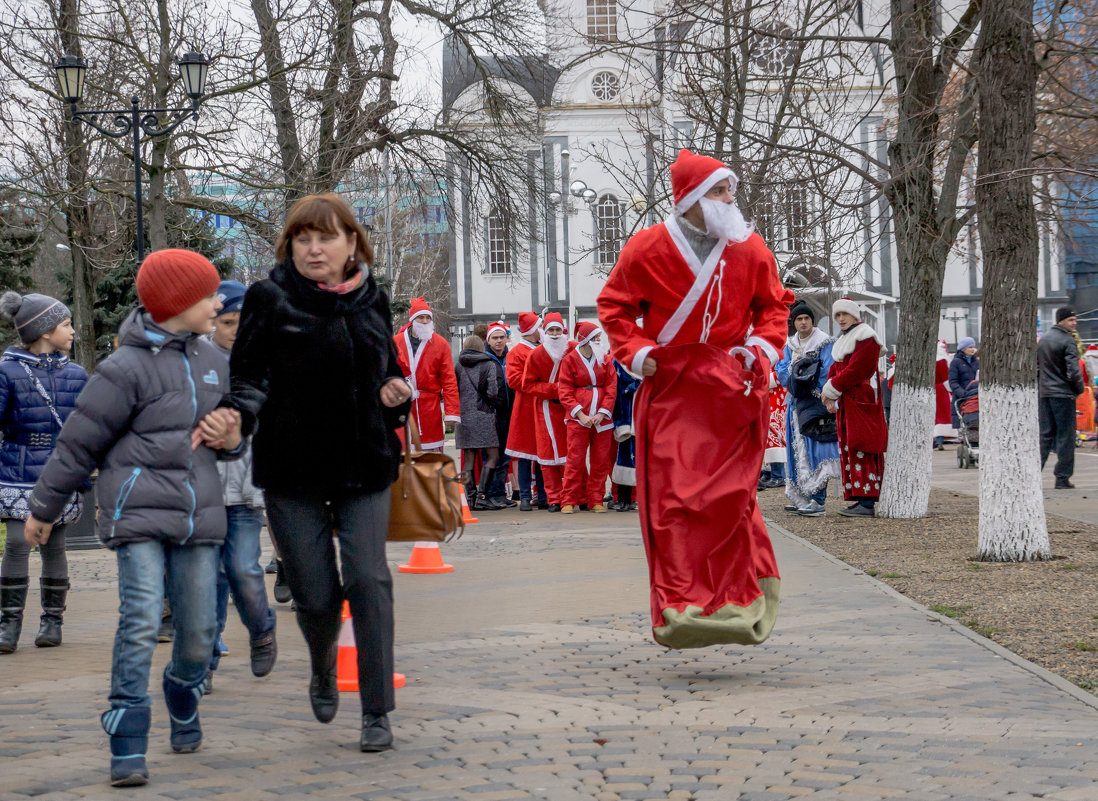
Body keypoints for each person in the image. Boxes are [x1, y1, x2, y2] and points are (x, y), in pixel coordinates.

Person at [23, 249, 242, 786]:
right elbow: (78, 444)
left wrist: (235, 437)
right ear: (177, 302)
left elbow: (234, 436)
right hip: (136, 513)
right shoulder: (124, 368)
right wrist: (44, 510)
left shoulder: (215, 362)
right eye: (208, 294)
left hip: (197, 516)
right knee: (142, 615)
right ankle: (126, 731)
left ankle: (182, 689)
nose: (218, 303)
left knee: (199, 633)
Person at [223, 193, 411, 753]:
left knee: (369, 579)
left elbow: (390, 373)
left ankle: (376, 710)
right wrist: (235, 416)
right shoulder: (269, 298)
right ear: (290, 245)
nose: (314, 248)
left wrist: (395, 396)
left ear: (352, 242)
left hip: (363, 463)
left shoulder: (372, 300)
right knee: (316, 593)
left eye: (326, 237)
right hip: (292, 468)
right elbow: (249, 378)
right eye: (303, 238)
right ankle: (323, 665)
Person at [597, 148, 792, 649]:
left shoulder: (750, 249)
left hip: (729, 396)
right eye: (721, 191)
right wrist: (639, 353)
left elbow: (775, 306)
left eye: (729, 189)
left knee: (730, 502)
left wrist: (758, 349)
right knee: (675, 506)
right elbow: (615, 308)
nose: (731, 199)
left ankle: (736, 604)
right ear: (692, 199)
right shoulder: (646, 248)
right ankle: (682, 608)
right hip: (673, 395)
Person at [0, 292, 87, 654]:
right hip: (18, 468)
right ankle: (9, 621)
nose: (72, 331)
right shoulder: (7, 370)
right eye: (66, 324)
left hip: (59, 468)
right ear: (45, 330)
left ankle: (52, 619)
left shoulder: (77, 374)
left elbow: (85, 427)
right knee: (19, 541)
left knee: (55, 544)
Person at [205, 280, 277, 690]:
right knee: (210, 577)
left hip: (247, 488)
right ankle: (207, 657)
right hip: (204, 489)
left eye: (243, 321)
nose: (235, 329)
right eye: (227, 321)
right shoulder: (198, 360)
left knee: (242, 569)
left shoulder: (264, 361)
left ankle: (261, 627)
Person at [821, 298, 888, 518]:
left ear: (854, 315)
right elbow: (836, 368)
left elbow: (857, 370)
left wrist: (831, 389)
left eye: (844, 314)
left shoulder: (866, 337)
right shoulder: (846, 338)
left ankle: (867, 500)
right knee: (850, 447)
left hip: (860, 400)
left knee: (863, 445)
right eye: (837, 315)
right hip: (848, 401)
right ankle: (859, 496)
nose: (840, 319)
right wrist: (829, 393)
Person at [775, 300, 840, 517]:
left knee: (816, 450)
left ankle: (818, 500)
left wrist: (810, 385)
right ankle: (801, 496)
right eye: (799, 319)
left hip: (815, 404)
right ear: (794, 322)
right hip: (795, 405)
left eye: (807, 319)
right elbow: (782, 369)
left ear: (812, 320)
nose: (803, 322)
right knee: (796, 451)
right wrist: (796, 378)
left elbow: (827, 371)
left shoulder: (823, 343)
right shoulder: (790, 345)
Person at [557, 322, 617, 514]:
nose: (599, 341)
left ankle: (596, 499)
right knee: (575, 461)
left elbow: (611, 389)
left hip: (602, 420)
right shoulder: (569, 360)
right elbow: (564, 390)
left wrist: (602, 412)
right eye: (596, 338)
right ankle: (568, 499)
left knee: (600, 461)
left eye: (599, 338)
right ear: (586, 340)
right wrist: (580, 413)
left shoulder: (605, 360)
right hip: (578, 420)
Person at [521, 312, 572, 513]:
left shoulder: (572, 350)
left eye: (557, 329)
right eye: (550, 330)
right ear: (544, 331)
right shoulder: (536, 354)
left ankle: (574, 495)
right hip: (546, 409)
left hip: (570, 409)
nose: (554, 333)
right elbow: (528, 384)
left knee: (572, 454)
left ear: (563, 331)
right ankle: (554, 498)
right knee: (548, 455)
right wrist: (555, 389)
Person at [393, 298, 459, 451]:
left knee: (432, 458)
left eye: (428, 318)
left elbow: (449, 379)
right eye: (420, 317)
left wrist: (452, 412)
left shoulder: (441, 344)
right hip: (402, 406)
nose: (424, 321)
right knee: (403, 455)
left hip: (430, 408)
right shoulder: (396, 342)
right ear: (412, 319)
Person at [1037, 306, 1085, 489]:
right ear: (1061, 321)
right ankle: (1062, 477)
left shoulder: (1043, 340)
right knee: (1066, 436)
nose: (1075, 323)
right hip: (1063, 394)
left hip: (1045, 394)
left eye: (1075, 320)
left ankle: (1034, 473)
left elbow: (1037, 368)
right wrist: (1078, 390)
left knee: (1045, 436)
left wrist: (1042, 387)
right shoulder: (1067, 341)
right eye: (1071, 320)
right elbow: (1074, 371)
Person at [454, 335, 504, 509]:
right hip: (484, 415)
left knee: (469, 458)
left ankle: (470, 498)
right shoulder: (488, 364)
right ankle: (483, 495)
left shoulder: (458, 365)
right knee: (492, 455)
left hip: (463, 416)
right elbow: (491, 392)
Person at [505, 312, 548, 511]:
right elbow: (514, 379)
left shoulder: (544, 349)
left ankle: (543, 494)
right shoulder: (516, 352)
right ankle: (524, 496)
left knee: (542, 453)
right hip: (525, 406)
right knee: (524, 454)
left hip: (541, 405)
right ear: (533, 331)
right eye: (540, 327)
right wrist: (537, 383)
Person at [483, 321, 515, 508]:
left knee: (505, 456)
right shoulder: (485, 360)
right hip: (491, 415)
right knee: (491, 456)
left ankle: (500, 493)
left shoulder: (510, 358)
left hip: (508, 414)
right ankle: (489, 494)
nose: (499, 341)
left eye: (502, 337)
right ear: (489, 340)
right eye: (495, 338)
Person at [608, 360, 640, 511]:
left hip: (646, 418)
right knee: (625, 457)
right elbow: (616, 393)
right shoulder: (619, 364)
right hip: (627, 418)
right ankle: (623, 498)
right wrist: (619, 421)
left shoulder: (652, 360)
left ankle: (639, 498)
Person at [934, 340, 954, 449]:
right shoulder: (941, 361)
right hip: (940, 390)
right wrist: (951, 391)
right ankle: (940, 440)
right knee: (941, 415)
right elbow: (945, 379)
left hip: (929, 389)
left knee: (934, 415)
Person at [949, 337, 979, 407]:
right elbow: (953, 381)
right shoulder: (956, 362)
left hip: (975, 398)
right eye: (970, 347)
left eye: (974, 347)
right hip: (961, 399)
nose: (973, 349)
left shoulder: (976, 362)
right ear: (963, 348)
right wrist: (963, 393)